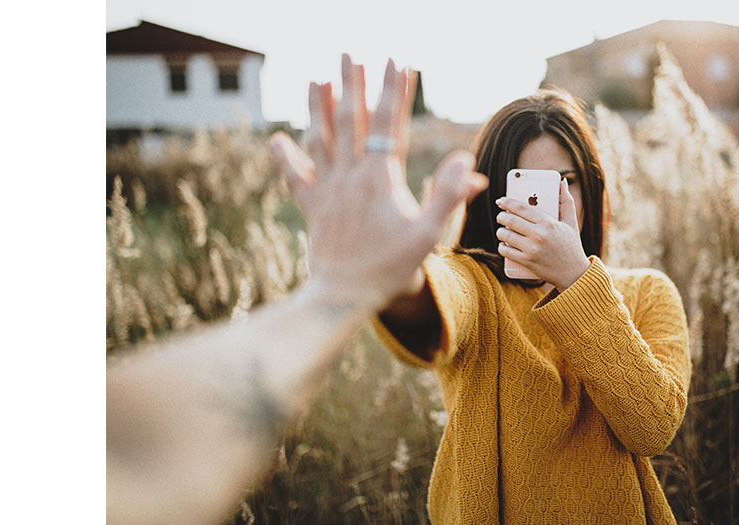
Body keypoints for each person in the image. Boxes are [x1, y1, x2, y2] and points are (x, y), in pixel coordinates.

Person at [106, 55, 488, 525]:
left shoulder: (609, 288)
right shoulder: (476, 280)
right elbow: (128, 454)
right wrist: (346, 286)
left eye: (566, 182)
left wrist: (342, 286)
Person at [374, 77, 692, 522]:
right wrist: (401, 274)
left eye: (567, 182)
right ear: (490, 198)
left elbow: (653, 426)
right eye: (526, 188)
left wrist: (576, 279)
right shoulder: (474, 282)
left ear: (591, 188)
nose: (546, 206)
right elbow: (436, 301)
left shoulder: (648, 292)